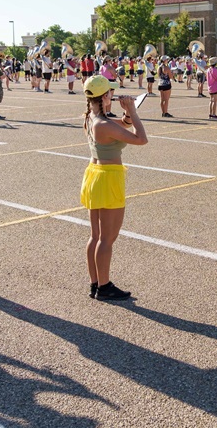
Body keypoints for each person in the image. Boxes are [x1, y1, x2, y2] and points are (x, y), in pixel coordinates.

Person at [80, 75, 148, 300]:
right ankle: (104, 286)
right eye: (110, 91)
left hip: (95, 175)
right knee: (107, 238)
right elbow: (140, 139)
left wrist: (128, 113)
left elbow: (123, 125)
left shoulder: (92, 117)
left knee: (96, 235)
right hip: (108, 179)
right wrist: (134, 112)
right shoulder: (104, 124)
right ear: (105, 95)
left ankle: (95, 283)